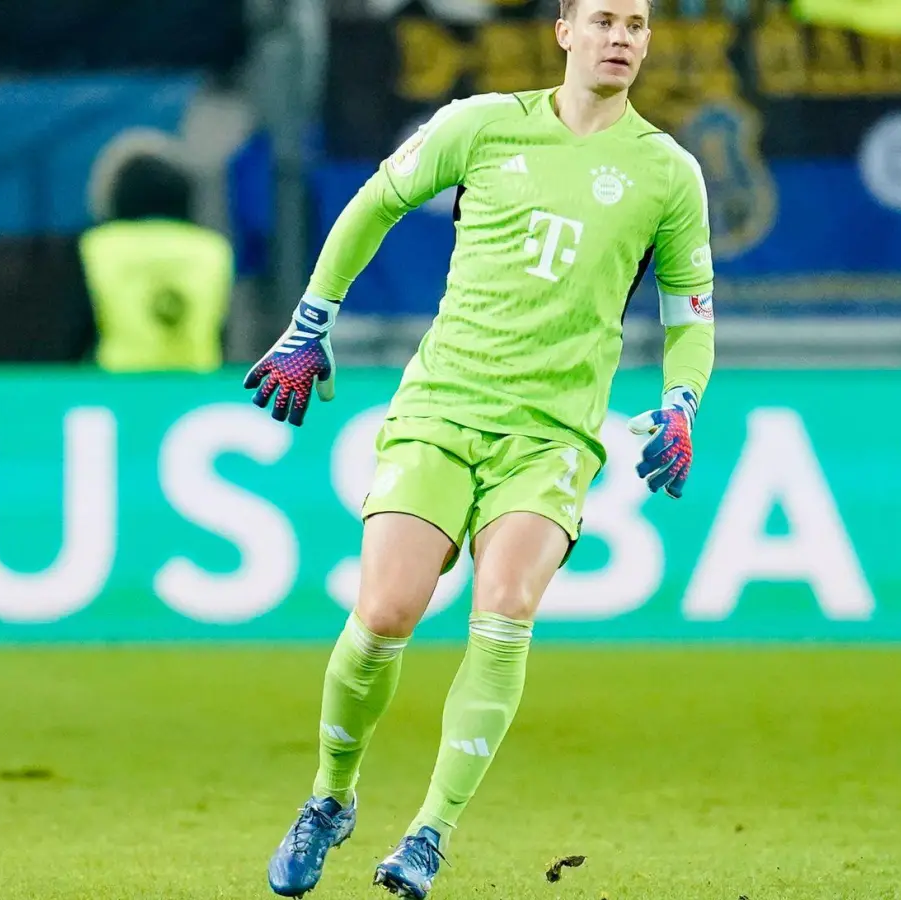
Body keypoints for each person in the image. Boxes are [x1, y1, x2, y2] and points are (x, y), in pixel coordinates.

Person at [248, 0, 715, 896]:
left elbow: (690, 317)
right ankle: (330, 798)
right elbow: (374, 204)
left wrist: (682, 403)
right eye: (606, 20)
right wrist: (311, 322)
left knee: (505, 607)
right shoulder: (482, 126)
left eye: (640, 24)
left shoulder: (668, 173)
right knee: (386, 612)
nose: (624, 38)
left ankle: (429, 832)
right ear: (565, 32)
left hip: (553, 433)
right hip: (443, 405)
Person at [72, 144, 234, 372]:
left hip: (119, 387)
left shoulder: (99, 247)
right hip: (195, 387)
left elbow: (76, 330)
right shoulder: (212, 249)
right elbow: (223, 330)